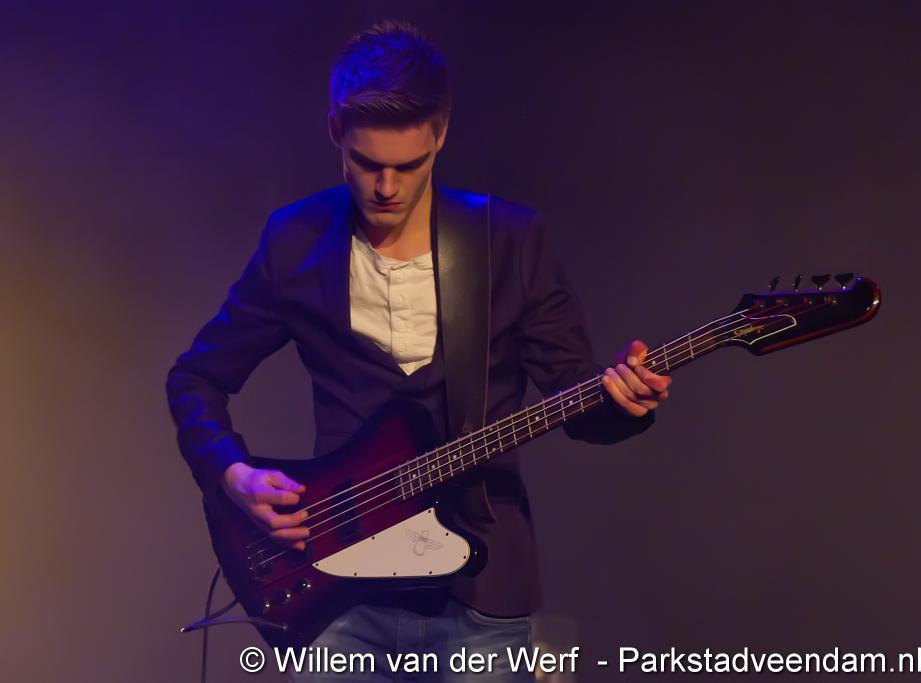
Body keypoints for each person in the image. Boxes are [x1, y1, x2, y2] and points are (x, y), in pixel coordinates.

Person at [166, 20, 671, 681]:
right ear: (335, 133)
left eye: (409, 166)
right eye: (366, 163)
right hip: (338, 595)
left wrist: (625, 402)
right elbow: (197, 377)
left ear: (441, 134)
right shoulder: (295, 241)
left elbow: (577, 397)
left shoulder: (510, 242)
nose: (387, 188)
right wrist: (234, 475)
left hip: (480, 590)